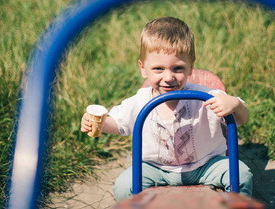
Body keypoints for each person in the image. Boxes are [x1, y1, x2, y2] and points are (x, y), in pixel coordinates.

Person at [80, 16, 253, 201]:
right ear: (143, 68)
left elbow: (241, 119)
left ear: (190, 67)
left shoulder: (207, 97)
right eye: (158, 69)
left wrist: (233, 104)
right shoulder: (140, 101)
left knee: (242, 176)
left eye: (178, 68)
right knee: (124, 186)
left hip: (206, 164)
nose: (168, 77)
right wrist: (99, 124)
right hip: (157, 169)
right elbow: (119, 123)